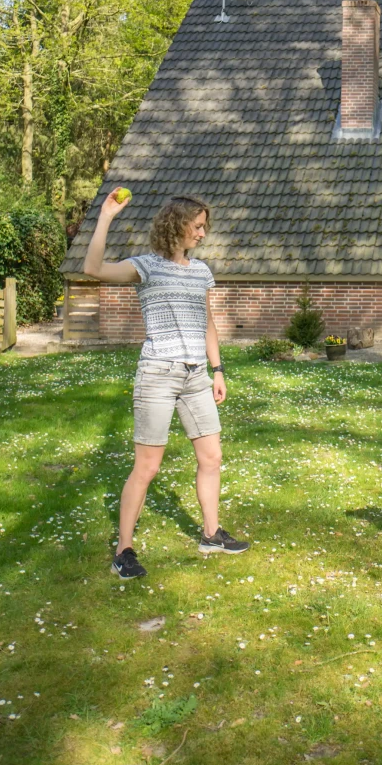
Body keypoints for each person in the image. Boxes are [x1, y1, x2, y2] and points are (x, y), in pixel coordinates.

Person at [81, 189, 250, 578]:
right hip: (158, 373)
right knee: (147, 467)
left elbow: (207, 322)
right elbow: (93, 268)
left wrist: (218, 369)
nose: (203, 234)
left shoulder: (201, 271)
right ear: (177, 226)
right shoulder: (145, 267)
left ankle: (211, 534)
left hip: (195, 377)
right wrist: (106, 215)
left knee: (212, 457)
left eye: (204, 227)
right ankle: (124, 550)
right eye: (198, 226)